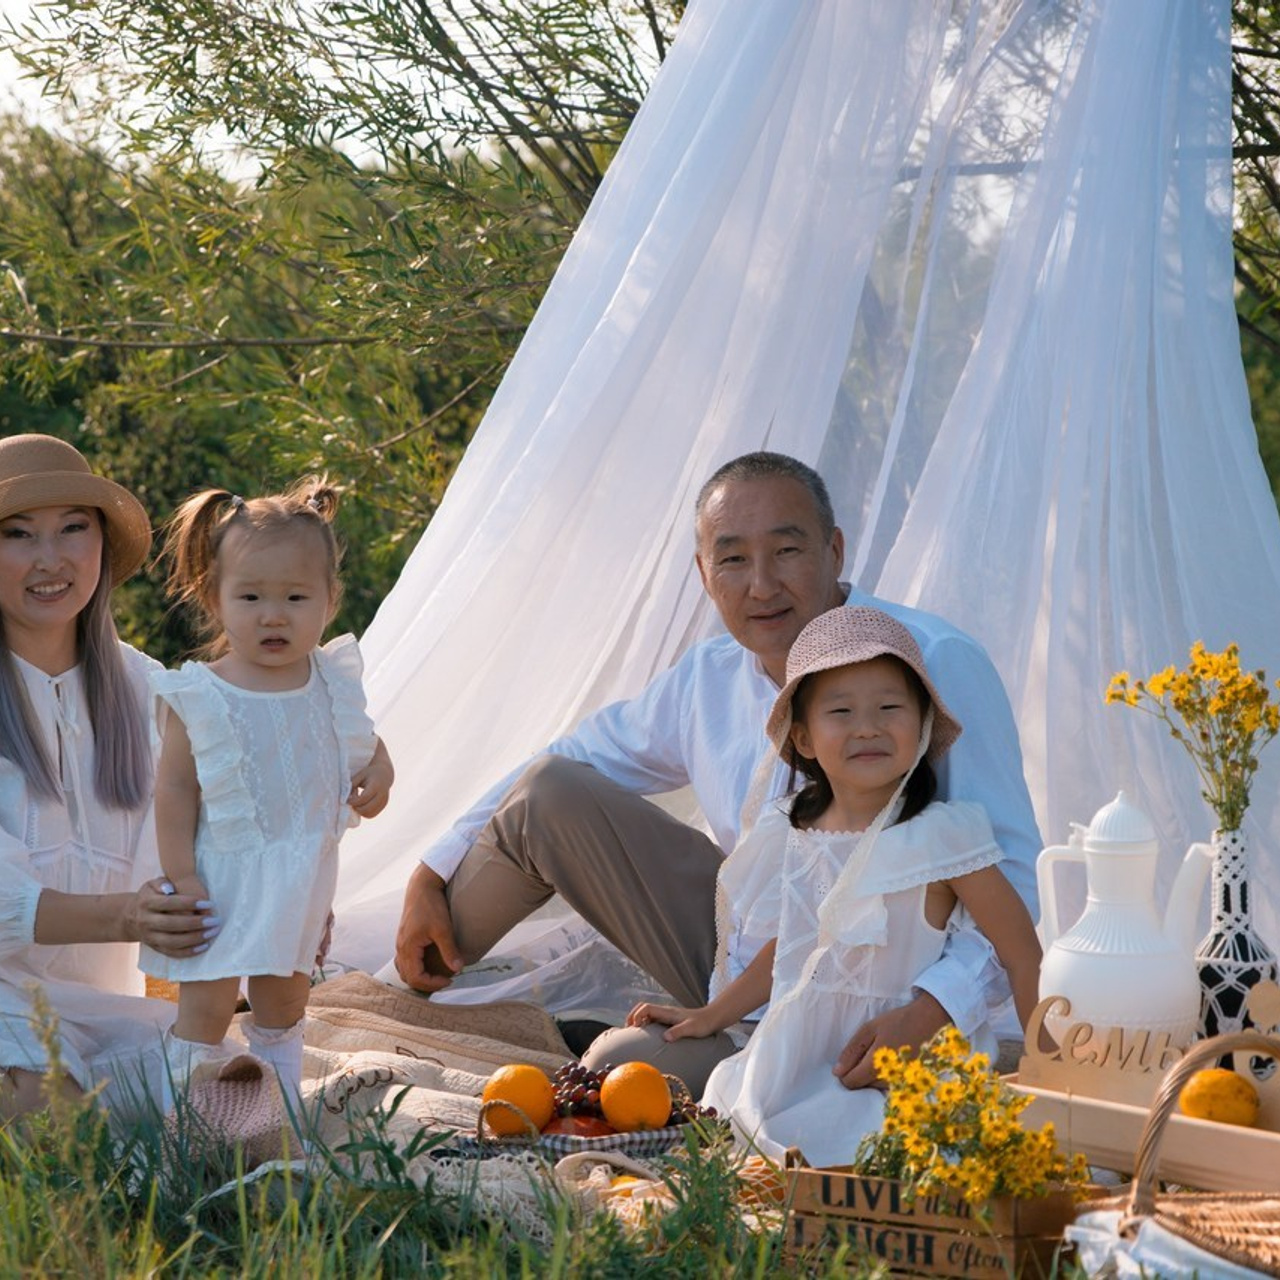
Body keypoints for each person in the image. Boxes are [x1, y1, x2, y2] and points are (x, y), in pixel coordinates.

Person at [395, 452, 1042, 1093]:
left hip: (891, 988)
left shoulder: (934, 661)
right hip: (752, 971)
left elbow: (1014, 877)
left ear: (834, 551)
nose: (761, 585)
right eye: (733, 559)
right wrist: (431, 871)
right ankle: (405, 1004)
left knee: (618, 1072)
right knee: (549, 793)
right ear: (704, 573)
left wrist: (930, 1012)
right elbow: (574, 757)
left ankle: (742, 1066)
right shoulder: (707, 677)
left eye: (786, 551)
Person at [634, 606, 1041, 1165]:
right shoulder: (793, 829)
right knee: (754, 1122)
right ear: (803, 737)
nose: (867, 727)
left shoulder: (942, 836)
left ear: (922, 724)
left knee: (866, 1144)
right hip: (803, 1052)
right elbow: (794, 951)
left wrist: (1046, 1066)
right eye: (841, 711)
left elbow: (1020, 951)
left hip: (905, 1069)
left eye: (890, 708)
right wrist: (711, 1015)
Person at [139, 479, 394, 1095]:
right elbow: (174, 792)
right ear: (215, 597)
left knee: (284, 1002)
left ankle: (279, 1114)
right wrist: (182, 875)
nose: (273, 615)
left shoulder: (331, 682)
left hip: (300, 878)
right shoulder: (202, 693)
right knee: (206, 1008)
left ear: (329, 600)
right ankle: (180, 1118)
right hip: (218, 881)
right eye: (250, 596)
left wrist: (381, 772)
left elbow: (362, 742)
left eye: (296, 597)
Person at [0, 433, 214, 1121]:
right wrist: (130, 915)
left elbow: (232, 808)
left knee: (226, 1094)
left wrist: (359, 758)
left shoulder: (146, 687)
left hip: (100, 1010)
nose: (51, 559)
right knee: (47, 1107)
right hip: (5, 1009)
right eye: (17, 534)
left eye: (73, 528)